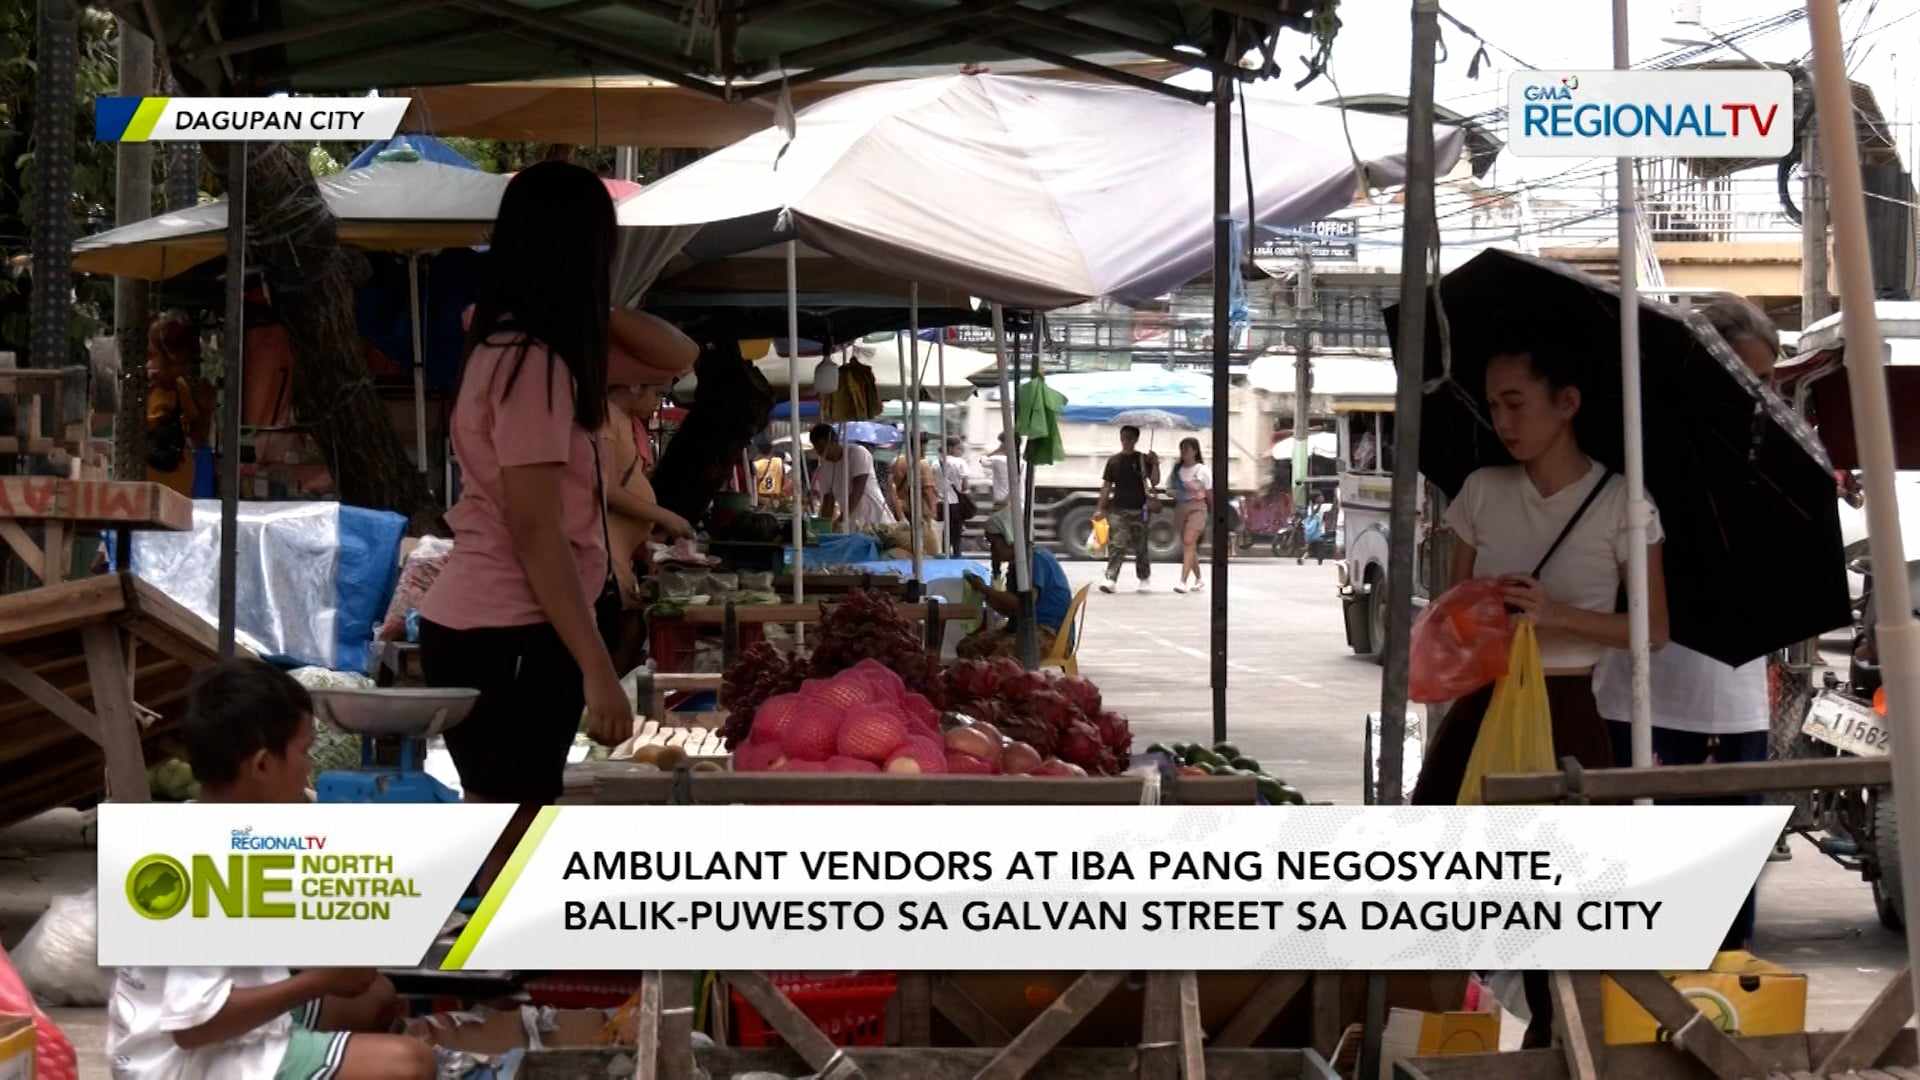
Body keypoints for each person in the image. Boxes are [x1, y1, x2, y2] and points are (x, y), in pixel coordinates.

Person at [1411, 336, 1669, 1048]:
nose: (1504, 421)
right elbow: (1445, 611)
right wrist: (1478, 612)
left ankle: (1556, 1046)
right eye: (1494, 405)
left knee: (1567, 897)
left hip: (1568, 709)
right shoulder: (1483, 492)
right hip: (1482, 706)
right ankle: (1441, 1036)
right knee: (1434, 875)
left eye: (1517, 403)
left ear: (1568, 404)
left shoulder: (1624, 500)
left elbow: (1652, 628)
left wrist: (1557, 615)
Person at [416, 162, 633, 893]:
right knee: (514, 847)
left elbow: (678, 354)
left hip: (489, 626)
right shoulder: (532, 364)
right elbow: (536, 532)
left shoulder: (499, 347)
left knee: (504, 839)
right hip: (509, 630)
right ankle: (499, 995)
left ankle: (493, 996)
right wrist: (599, 670)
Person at [108, 660, 435, 1080]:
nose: (308, 768)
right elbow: (193, 1027)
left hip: (201, 1026)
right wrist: (317, 980)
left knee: (374, 996)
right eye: (303, 752)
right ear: (261, 766)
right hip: (186, 1062)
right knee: (410, 1064)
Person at [1594, 295, 1780, 951]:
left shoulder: (1771, 466)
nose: (1756, 396)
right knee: (1638, 906)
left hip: (1736, 709)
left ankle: (1717, 1043)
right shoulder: (1641, 453)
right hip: (1639, 700)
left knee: (1725, 923)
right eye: (1743, 377)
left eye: (1764, 382)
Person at [958, 510, 1073, 660]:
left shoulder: (1036, 559)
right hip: (1022, 628)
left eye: (993, 544)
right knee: (967, 646)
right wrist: (985, 595)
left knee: (1001, 656)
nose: (992, 550)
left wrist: (985, 589)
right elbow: (1010, 610)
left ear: (1010, 538)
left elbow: (1024, 604)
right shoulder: (1016, 565)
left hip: (1048, 633)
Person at [144, 313, 216, 497]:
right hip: (144, 481)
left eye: (153, 355)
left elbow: (198, 436)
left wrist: (206, 410)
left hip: (176, 483)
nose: (150, 364)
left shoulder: (179, 388)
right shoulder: (139, 388)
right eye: (148, 356)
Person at [1096, 425, 1160, 594]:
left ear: (1136, 439)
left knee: (1141, 546)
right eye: (1123, 437)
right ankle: (1110, 578)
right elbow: (1107, 486)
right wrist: (1100, 508)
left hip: (1141, 509)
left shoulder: (1143, 459)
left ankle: (1144, 578)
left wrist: (1155, 464)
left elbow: (1155, 481)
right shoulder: (1113, 461)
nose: (1126, 441)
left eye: (1130, 438)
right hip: (1118, 509)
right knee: (1117, 544)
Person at [809, 424, 894, 529]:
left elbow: (857, 490)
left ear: (834, 441)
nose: (821, 453)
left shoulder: (858, 453)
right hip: (852, 525)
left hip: (875, 520)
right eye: (817, 449)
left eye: (823, 448)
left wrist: (841, 519)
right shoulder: (824, 467)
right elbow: (828, 501)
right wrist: (822, 527)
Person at [1169, 437, 1212, 594]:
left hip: (1198, 509)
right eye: (1182, 449)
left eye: (1187, 449)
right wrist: (1174, 492)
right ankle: (1199, 579)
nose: (1184, 453)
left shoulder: (1202, 470)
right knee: (1189, 545)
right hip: (1181, 508)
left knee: (1188, 541)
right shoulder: (1177, 470)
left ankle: (1182, 581)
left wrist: (1212, 511)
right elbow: (1170, 487)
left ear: (1195, 450)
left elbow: (1209, 492)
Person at [888, 433, 941, 534]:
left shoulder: (897, 461)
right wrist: (933, 512)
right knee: (922, 543)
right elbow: (928, 491)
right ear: (921, 446)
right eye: (925, 446)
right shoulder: (923, 464)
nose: (925, 449)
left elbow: (892, 486)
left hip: (900, 510)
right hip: (918, 512)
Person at [938, 436, 975, 556]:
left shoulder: (936, 462)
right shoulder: (960, 462)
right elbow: (965, 485)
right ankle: (957, 554)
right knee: (956, 531)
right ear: (950, 448)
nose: (961, 451)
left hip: (940, 502)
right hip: (955, 502)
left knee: (945, 530)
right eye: (959, 448)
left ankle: (945, 553)